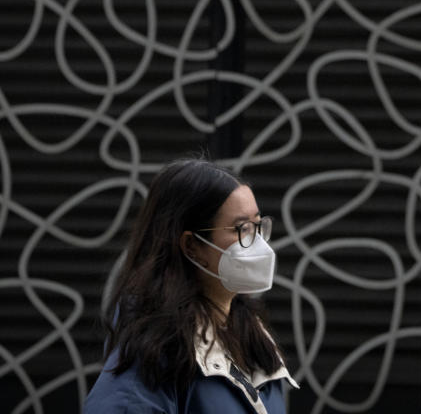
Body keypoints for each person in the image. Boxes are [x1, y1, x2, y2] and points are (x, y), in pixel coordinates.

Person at [84, 158, 298, 413]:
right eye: (242, 229)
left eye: (259, 225)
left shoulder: (251, 335)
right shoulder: (156, 350)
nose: (258, 243)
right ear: (191, 246)